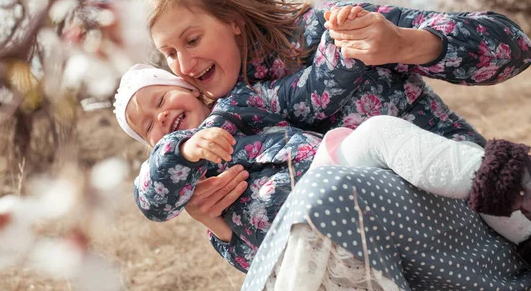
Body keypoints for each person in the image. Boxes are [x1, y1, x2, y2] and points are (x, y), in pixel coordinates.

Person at [115, 61, 531, 289]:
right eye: (148, 126)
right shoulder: (184, 188)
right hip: (299, 235)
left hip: (329, 169)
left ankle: (510, 190)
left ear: (194, 92)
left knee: (378, 132)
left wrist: (340, 48)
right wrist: (188, 163)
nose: (162, 115)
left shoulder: (241, 105)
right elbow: (151, 201)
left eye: (162, 98)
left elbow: (307, 88)